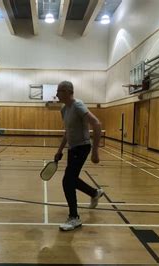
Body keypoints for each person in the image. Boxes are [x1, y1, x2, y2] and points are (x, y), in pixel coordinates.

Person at [54, 81, 104, 231]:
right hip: (72, 148)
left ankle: (74, 217)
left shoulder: (78, 105)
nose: (57, 94)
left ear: (69, 92)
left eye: (60, 91)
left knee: (67, 181)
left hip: (82, 147)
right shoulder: (64, 109)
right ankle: (94, 193)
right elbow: (68, 132)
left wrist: (95, 150)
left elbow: (97, 124)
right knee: (72, 179)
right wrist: (60, 150)